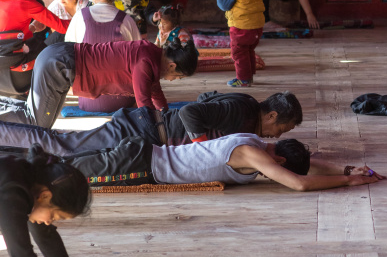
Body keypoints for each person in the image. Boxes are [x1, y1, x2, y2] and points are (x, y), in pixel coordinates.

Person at [0, 143, 125, 257]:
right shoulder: (11, 192)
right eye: (54, 216)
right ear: (45, 196)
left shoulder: (30, 180)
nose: (50, 222)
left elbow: (46, 236)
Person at [18, 133, 384, 193]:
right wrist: (348, 183)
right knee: (59, 175)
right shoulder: (253, 155)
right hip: (140, 165)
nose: (274, 172)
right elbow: (298, 182)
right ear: (279, 157)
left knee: (56, 163)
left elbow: (303, 166)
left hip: (141, 154)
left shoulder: (257, 142)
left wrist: (344, 169)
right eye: (280, 165)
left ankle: (14, 163)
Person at [0, 89, 303, 155]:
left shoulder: (246, 109)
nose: (277, 135)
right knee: (62, 146)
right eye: (282, 130)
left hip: (144, 125)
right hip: (141, 127)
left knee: (63, 145)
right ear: (272, 115)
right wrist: (201, 148)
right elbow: (189, 113)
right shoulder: (243, 113)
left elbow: (206, 98)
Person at [0, 37, 199, 128]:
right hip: (60, 65)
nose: (173, 80)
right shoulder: (146, 61)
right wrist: (160, 132)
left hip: (59, 58)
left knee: (34, 114)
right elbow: (143, 104)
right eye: (178, 77)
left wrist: (167, 115)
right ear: (172, 66)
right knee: (37, 124)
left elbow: (155, 92)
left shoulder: (151, 54)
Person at [65, 0, 141, 113]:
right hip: (123, 101)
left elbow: (68, 52)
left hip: (88, 101)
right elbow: (139, 59)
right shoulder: (126, 20)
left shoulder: (80, 17)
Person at [0, 0, 70, 96]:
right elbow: (63, 28)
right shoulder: (27, 2)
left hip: (3, 75)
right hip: (18, 76)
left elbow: (9, 34)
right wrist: (84, 15)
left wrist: (31, 28)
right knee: (59, 41)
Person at [217, 0, 265, 88]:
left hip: (240, 26)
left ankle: (243, 79)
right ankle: (249, 75)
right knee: (249, 49)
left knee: (239, 52)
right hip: (257, 25)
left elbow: (223, 4)